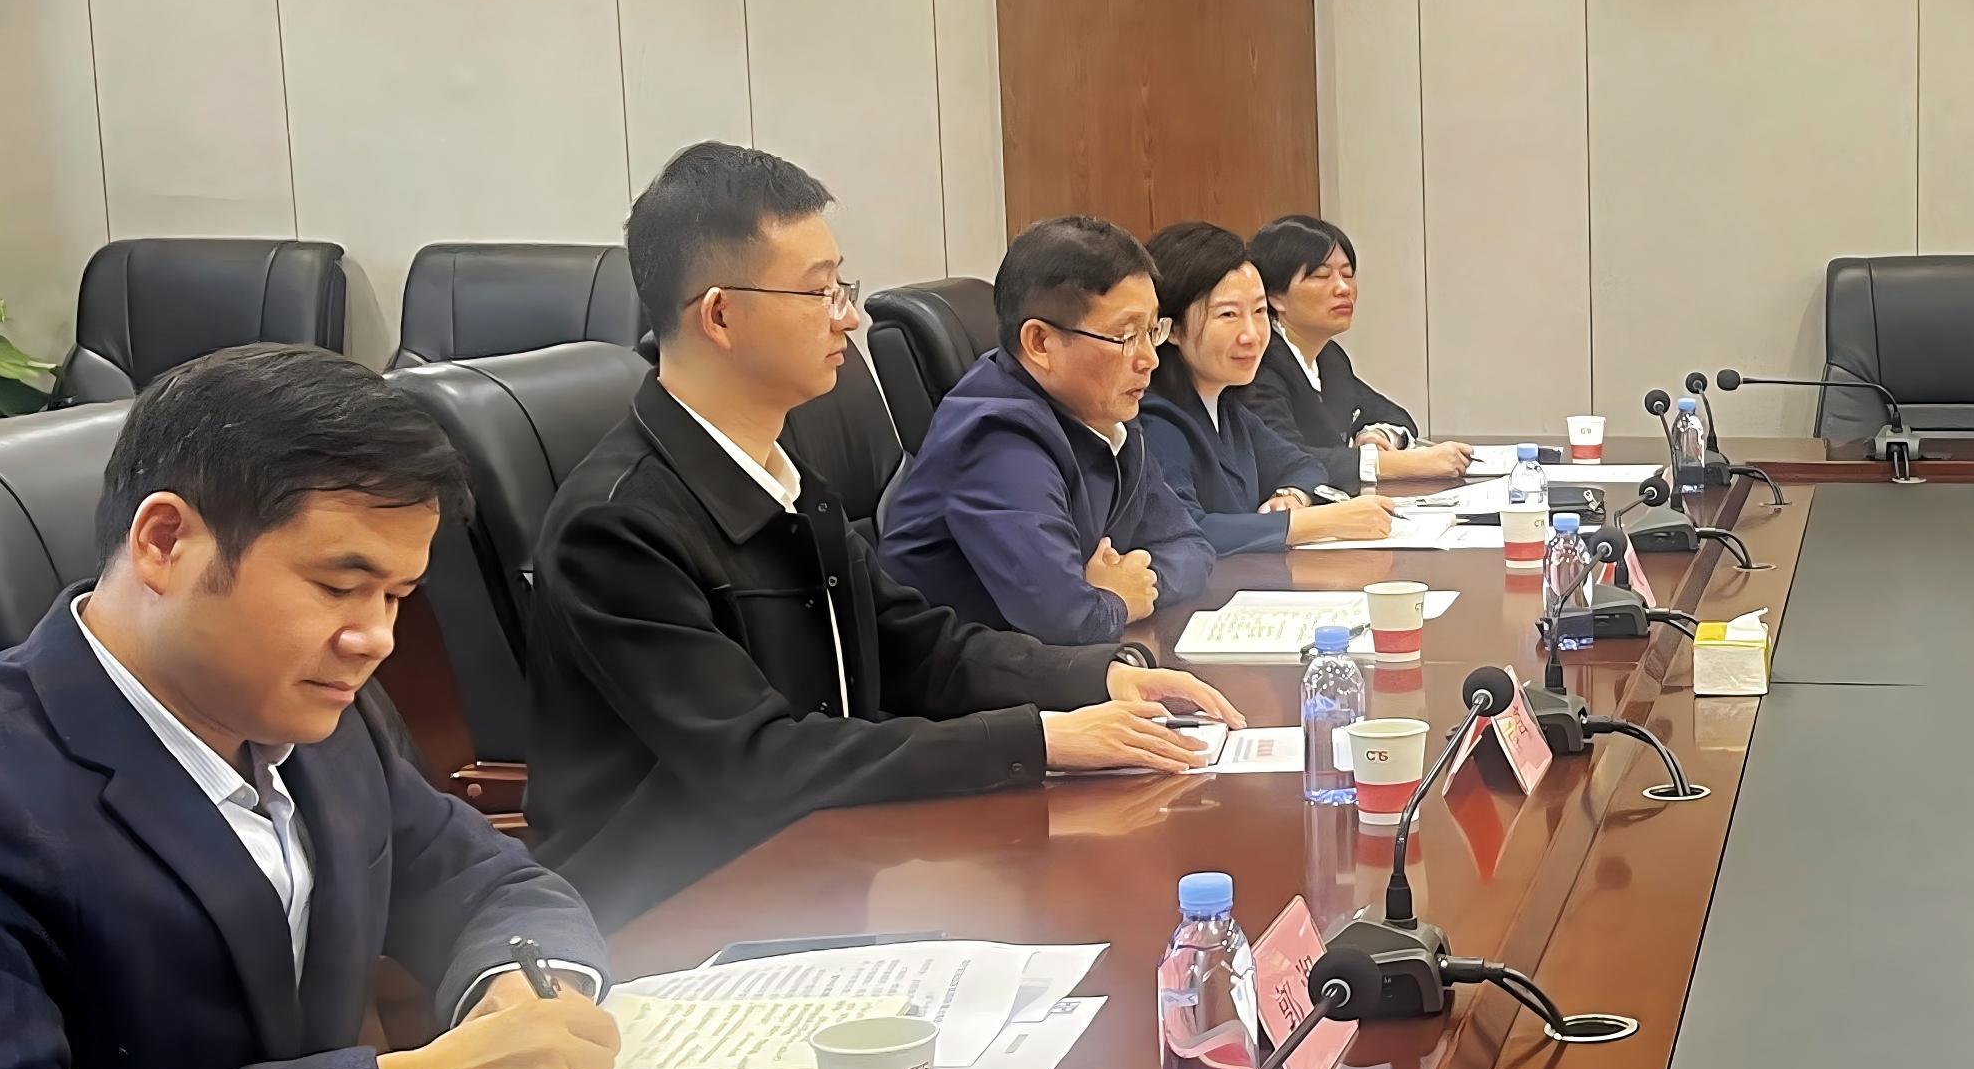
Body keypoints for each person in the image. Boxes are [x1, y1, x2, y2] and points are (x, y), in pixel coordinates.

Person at [0, 346, 624, 1069]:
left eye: (396, 596)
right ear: (165, 542)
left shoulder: (321, 716)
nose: (375, 638)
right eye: (339, 586)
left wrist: (521, 992)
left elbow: (487, 879)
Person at [530, 146, 1244, 925]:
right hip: (678, 910)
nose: (849, 315)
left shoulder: (783, 476)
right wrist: (1038, 740)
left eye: (843, 286)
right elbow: (759, 760)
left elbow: (915, 645)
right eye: (819, 292)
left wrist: (1095, 677)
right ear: (721, 316)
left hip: (824, 860)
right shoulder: (619, 526)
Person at [882, 216, 1226, 648]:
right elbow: (1067, 620)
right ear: (1040, 343)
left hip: (1049, 668)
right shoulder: (993, 439)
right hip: (962, 680)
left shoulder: (1102, 413)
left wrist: (1134, 583)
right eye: (1124, 335)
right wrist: (1115, 600)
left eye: (1151, 331)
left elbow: (1191, 545)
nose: (1149, 359)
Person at [1137, 220, 1397, 554]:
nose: (1251, 334)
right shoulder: (1155, 420)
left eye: (1259, 311)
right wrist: (1315, 522)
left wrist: (1291, 496)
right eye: (1228, 315)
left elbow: (1305, 465)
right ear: (1170, 328)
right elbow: (1186, 530)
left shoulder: (1228, 410)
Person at [1242, 214, 1473, 489]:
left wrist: (1376, 436)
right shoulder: (1259, 363)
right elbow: (1285, 460)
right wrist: (1402, 464)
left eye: (1348, 274)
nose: (1343, 288)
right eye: (1321, 276)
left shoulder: (1330, 357)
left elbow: (1395, 416)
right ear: (1274, 295)